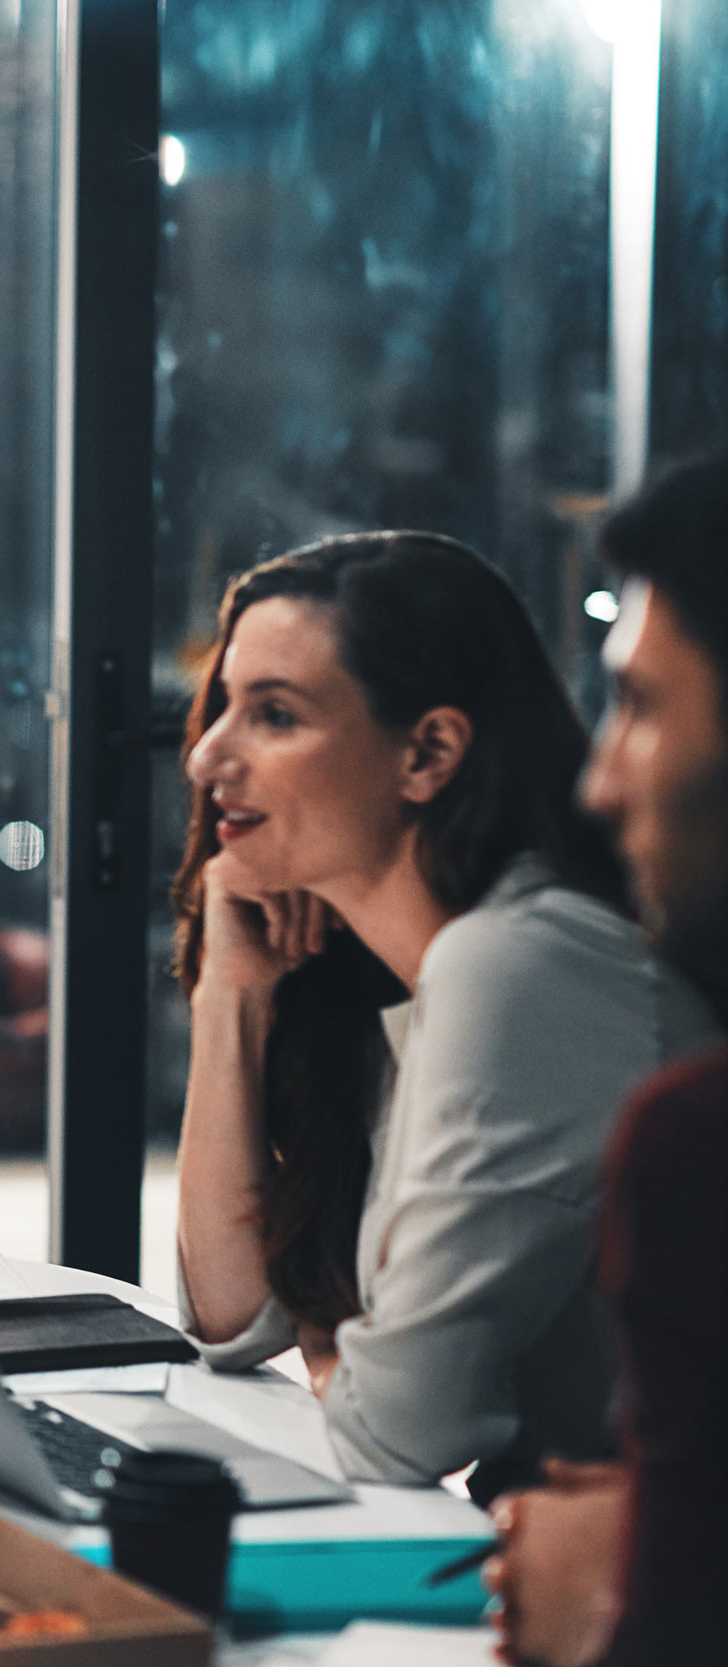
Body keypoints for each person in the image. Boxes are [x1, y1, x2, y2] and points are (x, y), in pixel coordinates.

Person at [169, 531, 715, 1494]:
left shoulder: (516, 966)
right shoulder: (397, 980)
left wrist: (345, 1362)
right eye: (224, 709)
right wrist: (231, 997)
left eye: (276, 715)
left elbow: (394, 1434)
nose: (210, 753)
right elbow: (232, 1320)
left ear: (427, 753)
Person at [486, 451, 728, 1667]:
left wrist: (629, 1596)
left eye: (640, 705)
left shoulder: (696, 1141)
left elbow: (392, 1413)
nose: (600, 780)